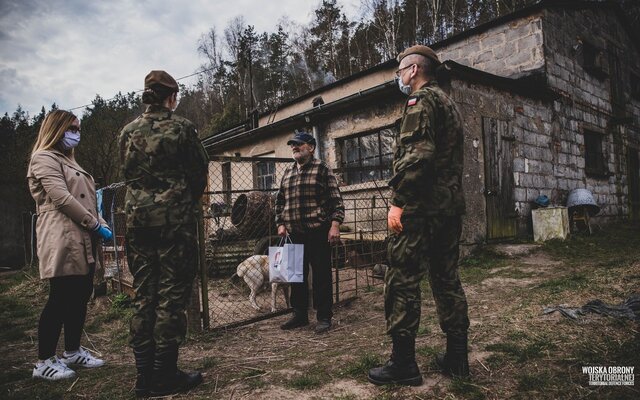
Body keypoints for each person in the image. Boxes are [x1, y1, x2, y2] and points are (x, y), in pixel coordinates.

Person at [368, 45, 470, 386]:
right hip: (448, 208)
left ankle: (404, 364)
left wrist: (399, 202)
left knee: (401, 278)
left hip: (421, 208)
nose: (398, 77)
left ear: (413, 70)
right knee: (446, 279)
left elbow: (418, 158)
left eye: (400, 71)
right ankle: (457, 357)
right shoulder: (449, 103)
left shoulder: (421, 101)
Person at [119, 70, 209, 397]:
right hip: (174, 223)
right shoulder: (182, 129)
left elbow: (129, 175)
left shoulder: (126, 132)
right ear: (171, 98)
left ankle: (144, 377)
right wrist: (181, 197)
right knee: (172, 296)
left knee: (144, 294)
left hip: (138, 223)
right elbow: (199, 174)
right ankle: (165, 374)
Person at [27, 110, 110, 381]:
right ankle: (44, 361)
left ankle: (72, 351)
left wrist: (102, 221)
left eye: (78, 128)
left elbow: (87, 200)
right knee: (60, 297)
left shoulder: (70, 161)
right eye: (71, 128)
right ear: (57, 129)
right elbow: (62, 198)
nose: (76, 133)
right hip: (62, 235)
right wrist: (94, 224)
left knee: (81, 293)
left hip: (83, 234)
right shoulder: (43, 159)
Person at [275, 131, 345, 334]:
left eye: (299, 144)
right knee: (296, 275)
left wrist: (335, 224)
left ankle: (324, 316)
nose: (294, 148)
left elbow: (336, 201)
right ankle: (299, 315)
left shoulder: (322, 168)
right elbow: (280, 201)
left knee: (322, 275)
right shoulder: (288, 173)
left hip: (317, 231)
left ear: (311, 147)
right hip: (293, 233)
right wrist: (280, 223)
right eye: (292, 145)